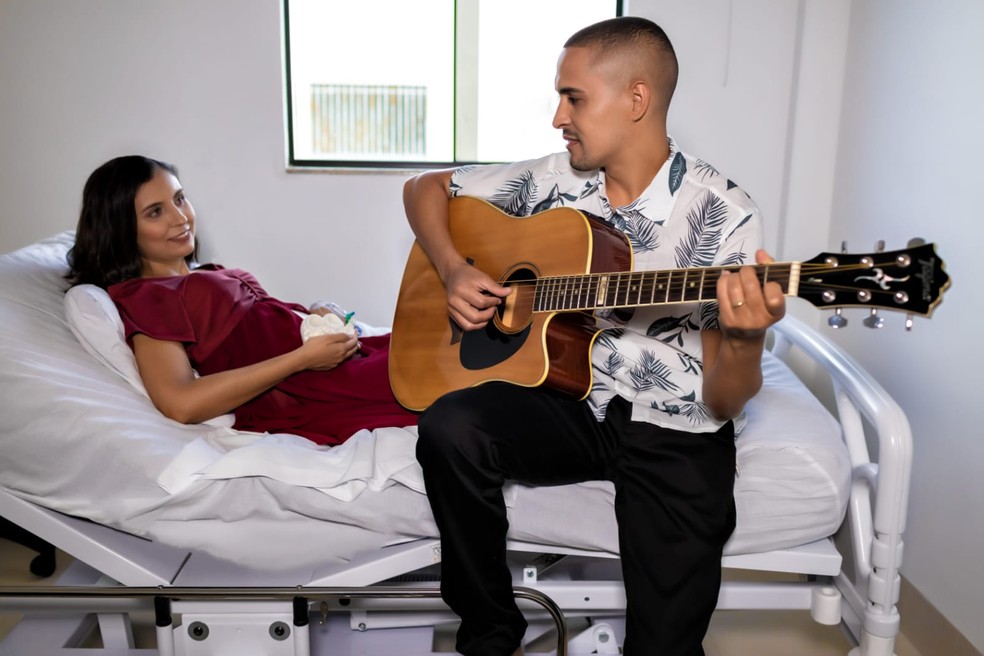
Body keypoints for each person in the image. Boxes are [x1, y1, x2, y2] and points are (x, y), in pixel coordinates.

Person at [402, 16, 786, 656]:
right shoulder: (553, 179)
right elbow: (425, 187)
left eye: (573, 98)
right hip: (569, 401)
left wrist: (746, 341)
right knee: (450, 427)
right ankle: (492, 633)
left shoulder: (726, 213)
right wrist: (452, 269)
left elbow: (723, 402)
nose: (558, 117)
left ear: (636, 100)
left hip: (677, 428)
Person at [66, 155, 418, 445]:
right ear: (121, 228)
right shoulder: (147, 298)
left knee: (444, 343)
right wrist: (301, 359)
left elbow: (259, 328)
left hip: (334, 362)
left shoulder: (200, 274)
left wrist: (314, 315)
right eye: (155, 212)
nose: (180, 218)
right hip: (310, 389)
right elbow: (180, 402)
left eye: (179, 199)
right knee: (445, 376)